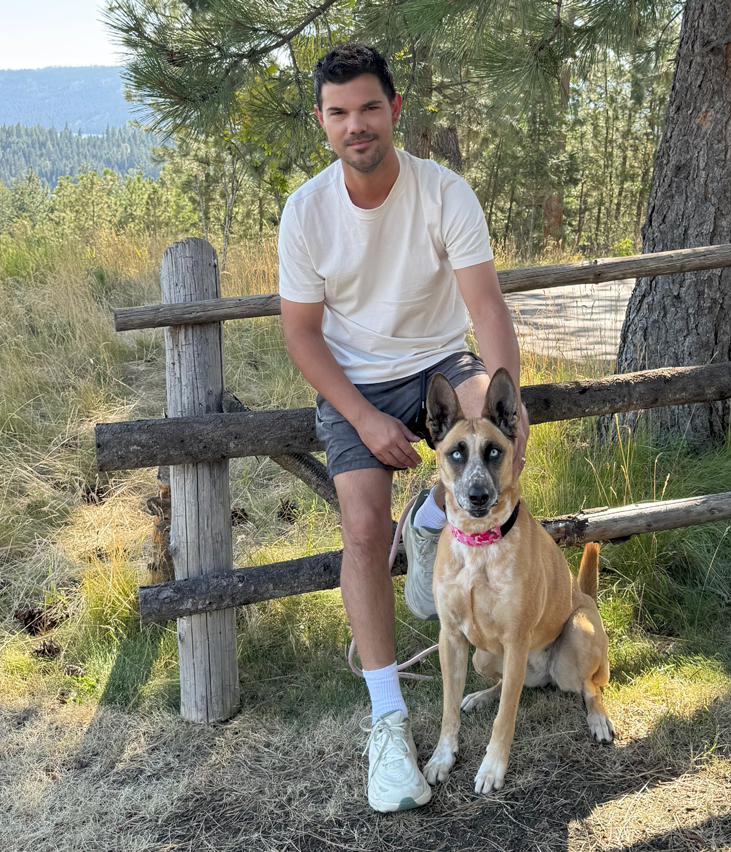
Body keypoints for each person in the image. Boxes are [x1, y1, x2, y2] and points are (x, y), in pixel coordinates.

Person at [277, 43, 529, 812]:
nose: (357, 125)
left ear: (394, 109)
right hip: (353, 381)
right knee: (360, 525)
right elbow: (303, 338)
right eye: (339, 112)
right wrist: (361, 417)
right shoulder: (306, 212)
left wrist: (510, 416)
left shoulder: (444, 193)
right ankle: (389, 720)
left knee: (486, 443)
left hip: (438, 367)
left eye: (369, 108)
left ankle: (437, 513)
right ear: (322, 121)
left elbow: (485, 308)